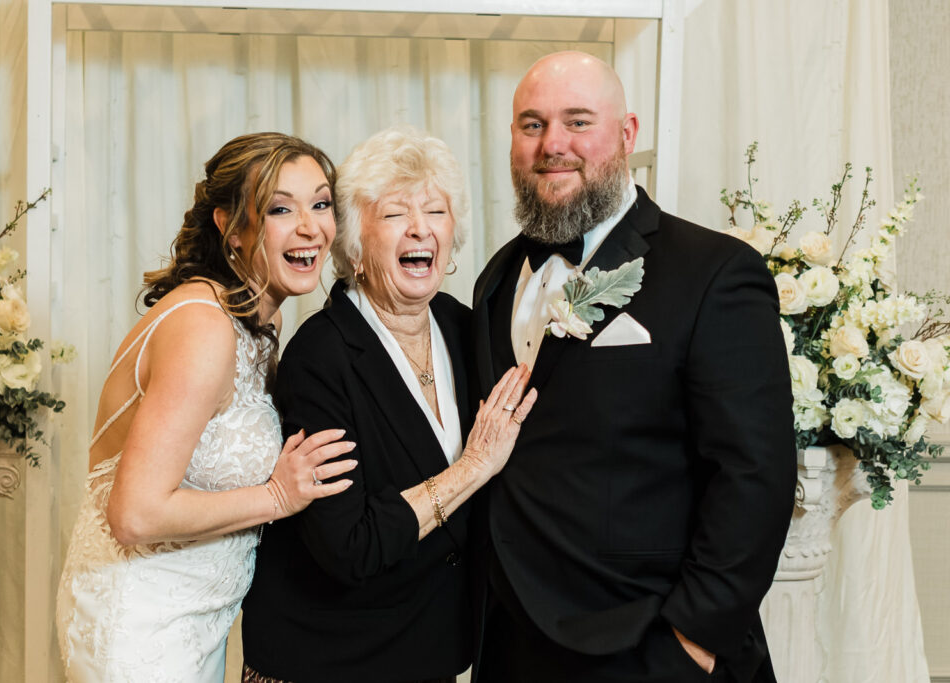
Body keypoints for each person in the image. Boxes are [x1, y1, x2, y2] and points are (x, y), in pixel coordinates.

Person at [470, 52, 797, 682]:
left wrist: (691, 640)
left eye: (578, 121)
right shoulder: (495, 278)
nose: (552, 145)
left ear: (627, 134)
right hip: (513, 645)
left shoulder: (716, 273)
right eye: (531, 124)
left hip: (647, 644)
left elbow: (754, 474)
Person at [55, 132, 358, 682]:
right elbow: (135, 515)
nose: (311, 227)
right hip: (141, 627)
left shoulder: (257, 319)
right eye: (279, 209)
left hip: (197, 626)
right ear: (230, 226)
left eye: (320, 203)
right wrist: (277, 495)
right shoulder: (204, 327)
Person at [241, 127, 537, 683]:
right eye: (396, 214)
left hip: (434, 651)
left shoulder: (463, 325)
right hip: (330, 659)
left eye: (436, 210)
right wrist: (473, 468)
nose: (421, 227)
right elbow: (348, 545)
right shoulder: (321, 357)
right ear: (354, 241)